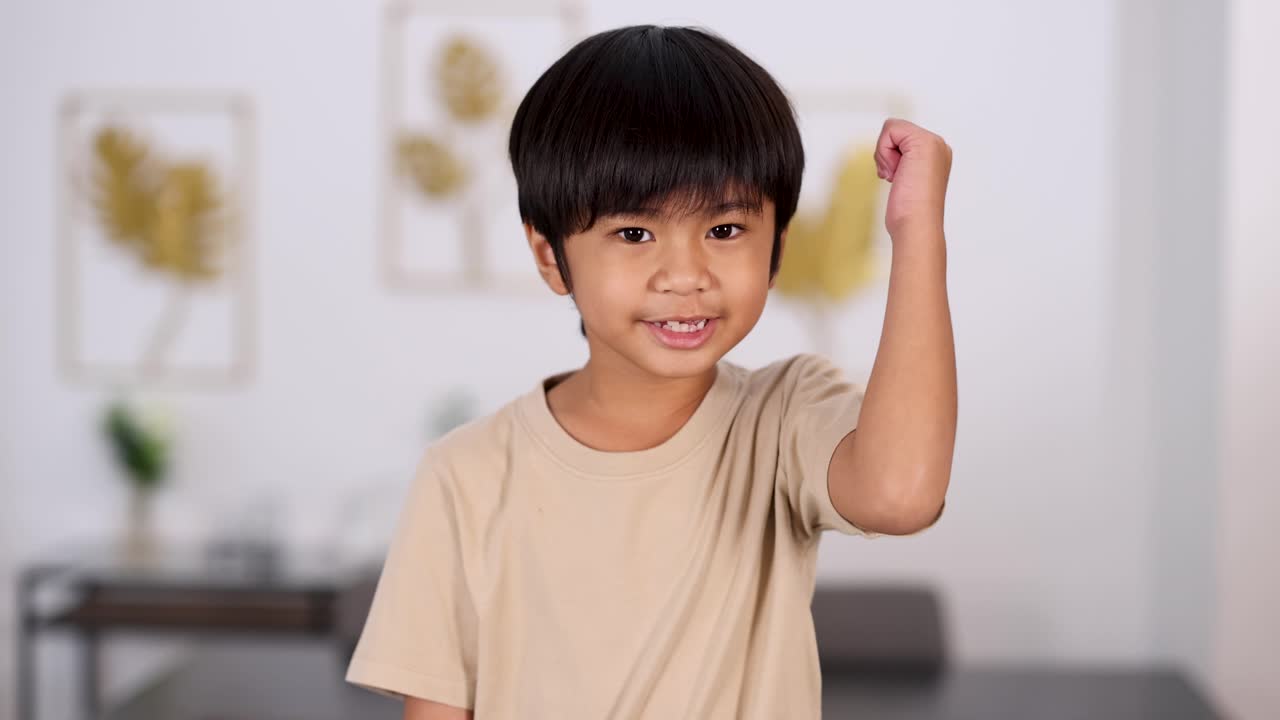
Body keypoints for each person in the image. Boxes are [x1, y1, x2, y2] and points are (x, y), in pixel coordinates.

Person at [346, 23, 955, 720]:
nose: (685, 275)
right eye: (634, 234)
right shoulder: (466, 474)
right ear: (550, 257)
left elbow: (902, 493)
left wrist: (917, 231)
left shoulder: (785, 416)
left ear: (775, 249)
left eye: (724, 231)